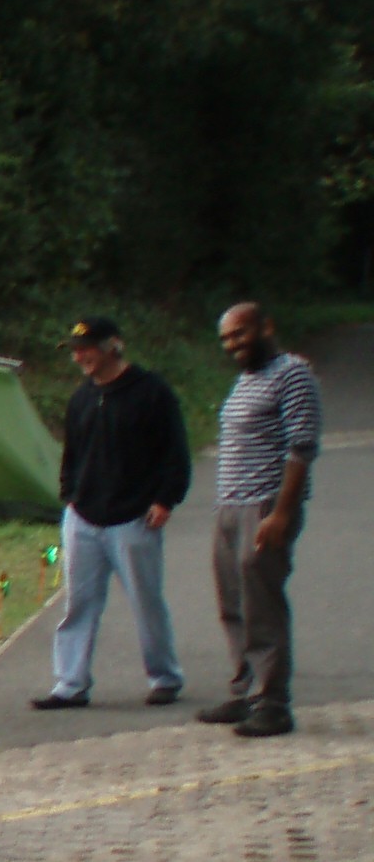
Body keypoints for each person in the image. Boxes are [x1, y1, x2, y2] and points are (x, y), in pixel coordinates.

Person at [32, 318, 191, 711]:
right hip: (84, 517)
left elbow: (175, 451)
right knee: (78, 604)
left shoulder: (151, 392)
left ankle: (165, 677)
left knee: (146, 601)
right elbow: (71, 452)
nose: (79, 357)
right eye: (74, 350)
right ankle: (70, 684)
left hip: (134, 518)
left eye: (86, 348)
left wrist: (165, 499)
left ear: (112, 347)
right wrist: (69, 494)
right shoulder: (81, 398)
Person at [199, 302, 321, 738]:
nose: (234, 344)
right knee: (233, 602)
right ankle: (244, 691)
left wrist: (281, 513)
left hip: (265, 506)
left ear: (266, 326)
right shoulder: (246, 379)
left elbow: (302, 448)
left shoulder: (293, 374)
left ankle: (272, 704)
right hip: (230, 507)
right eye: (227, 339)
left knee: (261, 605)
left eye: (241, 334)